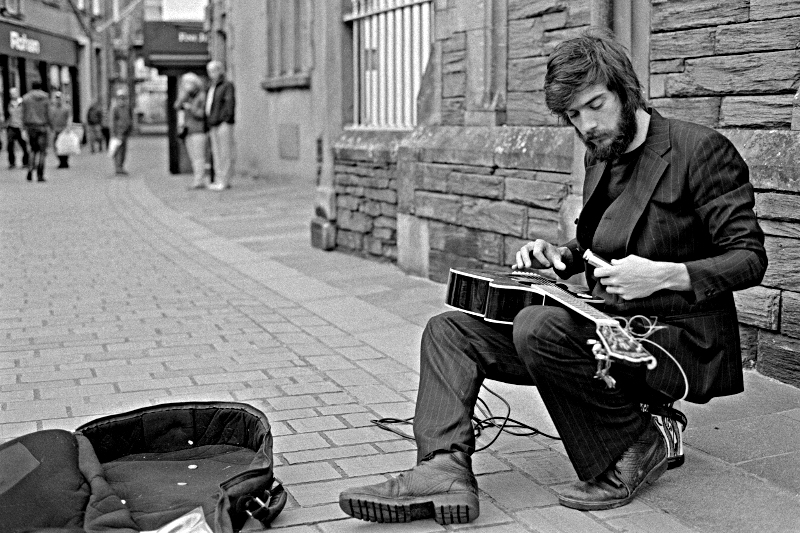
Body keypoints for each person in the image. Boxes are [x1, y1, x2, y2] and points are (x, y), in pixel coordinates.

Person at [338, 30, 767, 524]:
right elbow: (594, 244)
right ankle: (442, 468)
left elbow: (749, 258)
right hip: (607, 326)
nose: (587, 126)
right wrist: (560, 256)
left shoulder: (700, 150)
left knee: (537, 328)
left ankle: (637, 442)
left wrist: (663, 276)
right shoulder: (600, 153)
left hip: (674, 338)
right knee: (448, 331)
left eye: (595, 106)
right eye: (573, 116)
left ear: (627, 90)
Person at [204, 60, 235, 191]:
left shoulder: (227, 85)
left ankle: (225, 180)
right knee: (216, 153)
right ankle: (219, 179)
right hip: (213, 123)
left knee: (225, 153)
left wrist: (226, 119)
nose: (211, 74)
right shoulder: (211, 86)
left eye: (214, 71)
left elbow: (229, 103)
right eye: (209, 71)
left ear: (220, 71)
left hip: (222, 123)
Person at [175, 72, 208, 189]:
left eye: (189, 83)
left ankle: (200, 181)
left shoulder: (201, 96)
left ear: (195, 83)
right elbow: (176, 106)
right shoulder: (187, 96)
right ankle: (197, 179)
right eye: (185, 83)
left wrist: (191, 108)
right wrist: (183, 96)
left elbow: (203, 114)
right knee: (193, 157)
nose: (186, 85)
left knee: (199, 157)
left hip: (199, 130)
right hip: (188, 130)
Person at [21, 81, 51, 182]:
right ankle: (40, 174)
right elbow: (48, 112)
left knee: (33, 149)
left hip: (30, 126)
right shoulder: (45, 97)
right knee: (42, 151)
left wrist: (23, 126)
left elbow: (23, 113)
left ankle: (30, 170)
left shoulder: (26, 98)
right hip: (42, 126)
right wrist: (50, 124)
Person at [109, 89, 132, 176]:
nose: (122, 100)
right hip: (118, 132)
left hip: (125, 132)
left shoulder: (127, 107)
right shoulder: (115, 108)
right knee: (118, 150)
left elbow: (130, 118)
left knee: (124, 151)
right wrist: (113, 133)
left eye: (123, 98)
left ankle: (121, 166)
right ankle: (118, 167)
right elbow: (112, 121)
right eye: (120, 98)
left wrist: (130, 128)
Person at [5, 87, 29, 169]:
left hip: (20, 127)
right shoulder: (9, 103)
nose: (13, 95)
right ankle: (12, 162)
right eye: (11, 93)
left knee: (24, 145)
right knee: (10, 145)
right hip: (11, 126)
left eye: (14, 93)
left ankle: (25, 161)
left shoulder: (21, 102)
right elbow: (8, 114)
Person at [50, 91, 72, 168]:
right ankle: (60, 160)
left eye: (59, 98)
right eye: (56, 98)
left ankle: (65, 161)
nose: (58, 100)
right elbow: (50, 119)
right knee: (56, 146)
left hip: (64, 130)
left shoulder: (66, 108)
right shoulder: (52, 108)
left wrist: (68, 127)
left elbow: (69, 118)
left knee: (65, 146)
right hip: (56, 130)